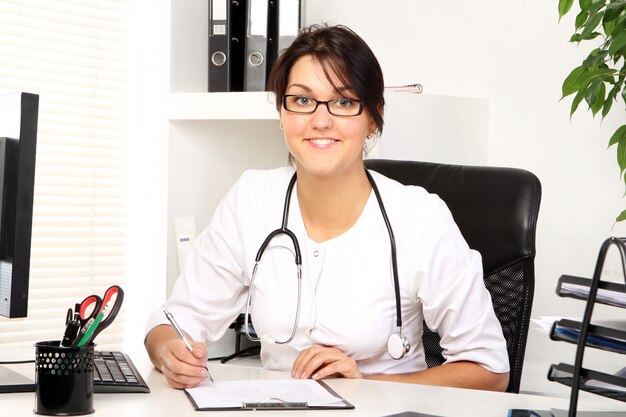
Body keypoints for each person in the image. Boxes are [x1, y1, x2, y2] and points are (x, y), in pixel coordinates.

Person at [144, 24, 510, 392]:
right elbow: (172, 323)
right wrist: (170, 353)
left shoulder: (419, 218)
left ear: (373, 117)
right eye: (302, 100)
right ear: (282, 113)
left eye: (344, 102)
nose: (320, 120)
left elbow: (488, 369)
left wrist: (364, 383)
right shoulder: (251, 199)